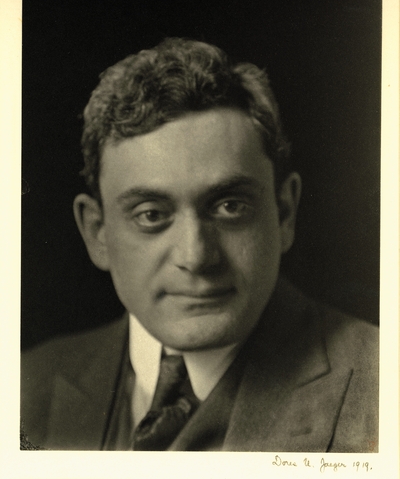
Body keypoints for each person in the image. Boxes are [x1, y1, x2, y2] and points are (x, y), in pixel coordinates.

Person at [21, 38, 378, 452]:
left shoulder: (383, 387)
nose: (196, 257)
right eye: (151, 215)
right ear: (97, 233)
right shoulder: (21, 389)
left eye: (229, 206)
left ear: (284, 213)